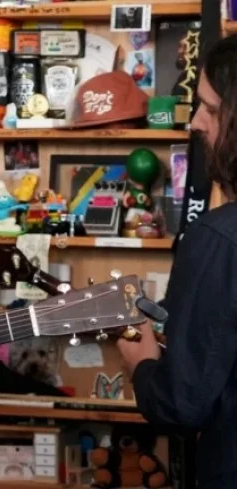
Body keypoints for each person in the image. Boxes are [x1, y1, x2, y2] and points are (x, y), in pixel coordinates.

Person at [116, 35, 237, 489]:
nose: (199, 123)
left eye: (210, 107)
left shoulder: (220, 238)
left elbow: (181, 405)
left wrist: (140, 356)